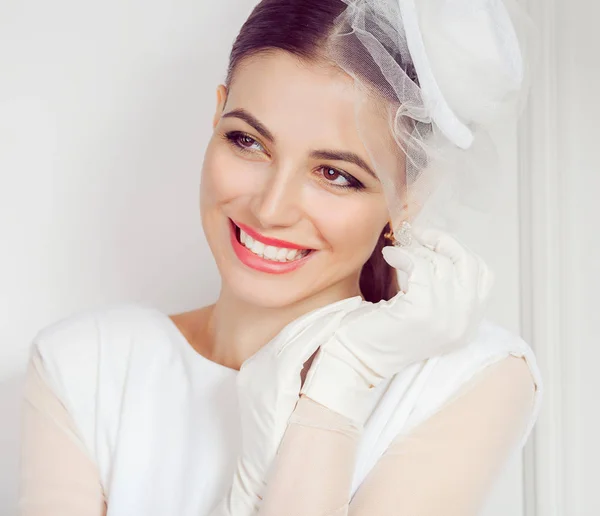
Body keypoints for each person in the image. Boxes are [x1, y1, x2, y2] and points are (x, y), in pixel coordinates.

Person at [18, 1, 543, 515]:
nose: (270, 210)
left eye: (335, 174)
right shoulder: (86, 366)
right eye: (247, 141)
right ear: (216, 115)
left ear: (410, 197)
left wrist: (339, 384)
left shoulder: (473, 380)